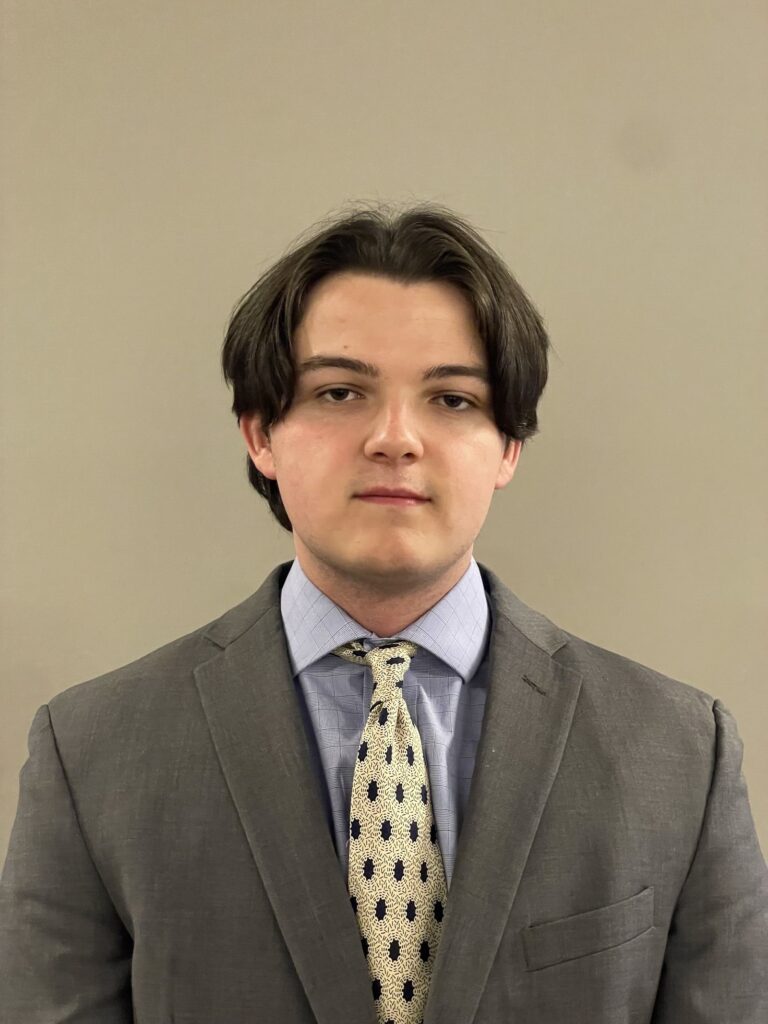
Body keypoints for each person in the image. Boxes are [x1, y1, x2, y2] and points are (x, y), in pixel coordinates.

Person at [1, 203, 766, 1024]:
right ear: (260, 432)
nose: (396, 438)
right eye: (339, 391)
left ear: (509, 445)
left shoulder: (681, 751)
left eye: (453, 400)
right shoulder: (92, 753)